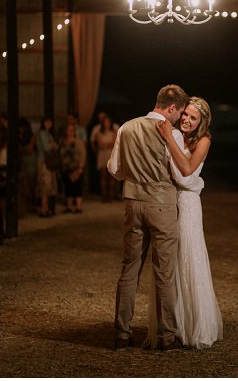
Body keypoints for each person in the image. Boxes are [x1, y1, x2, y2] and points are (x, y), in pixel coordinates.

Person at [108, 84, 194, 351]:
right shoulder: (173, 134)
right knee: (164, 272)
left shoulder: (126, 127)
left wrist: (134, 178)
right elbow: (180, 173)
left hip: (133, 204)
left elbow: (114, 169)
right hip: (162, 207)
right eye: (179, 113)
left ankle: (122, 333)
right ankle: (166, 336)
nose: (180, 119)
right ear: (171, 107)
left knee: (129, 268)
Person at [150, 96, 223, 349]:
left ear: (202, 121)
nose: (187, 120)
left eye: (193, 118)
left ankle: (195, 325)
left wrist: (169, 137)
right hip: (171, 201)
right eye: (186, 115)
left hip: (189, 205)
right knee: (173, 262)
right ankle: (175, 324)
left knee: (189, 259)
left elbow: (186, 170)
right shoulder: (179, 135)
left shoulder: (204, 141)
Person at [60, 124, 87, 214]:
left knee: (77, 187)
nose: (70, 132)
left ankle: (79, 207)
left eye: (72, 130)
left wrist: (80, 167)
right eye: (69, 130)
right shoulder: (63, 142)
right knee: (68, 187)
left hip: (76, 167)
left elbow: (82, 155)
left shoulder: (78, 142)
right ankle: (69, 206)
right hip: (67, 168)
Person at [36, 116, 59, 218]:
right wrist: (52, 144)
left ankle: (46, 208)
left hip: (48, 161)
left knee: (49, 185)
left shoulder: (48, 133)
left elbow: (56, 146)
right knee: (45, 184)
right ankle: (44, 208)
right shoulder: (42, 133)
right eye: (47, 122)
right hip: (44, 162)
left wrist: (53, 144)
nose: (49, 124)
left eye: (50, 122)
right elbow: (47, 147)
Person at [91, 114, 117, 202]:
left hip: (111, 155)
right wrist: (108, 144)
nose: (107, 124)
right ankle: (104, 197)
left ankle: (110, 197)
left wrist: (106, 145)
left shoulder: (113, 132)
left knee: (111, 177)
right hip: (102, 156)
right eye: (105, 122)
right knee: (103, 176)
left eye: (108, 122)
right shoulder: (98, 133)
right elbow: (100, 144)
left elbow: (114, 144)